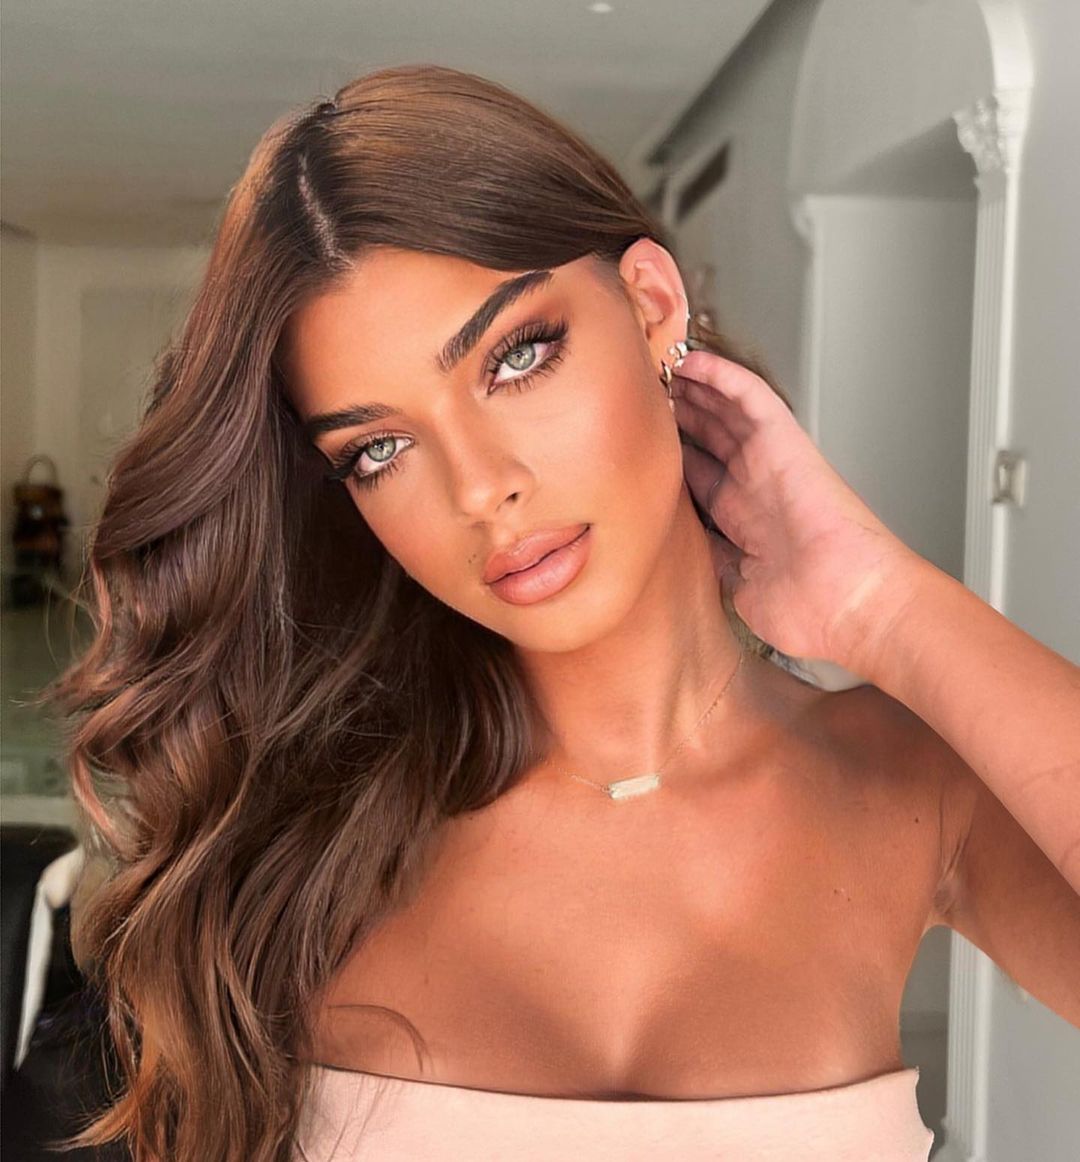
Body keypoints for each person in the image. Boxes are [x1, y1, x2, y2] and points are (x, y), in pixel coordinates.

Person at [42, 64, 1079, 1162]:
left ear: (652, 306)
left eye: (516, 357)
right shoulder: (298, 832)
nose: (481, 489)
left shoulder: (909, 782)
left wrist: (884, 602)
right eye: (380, 448)